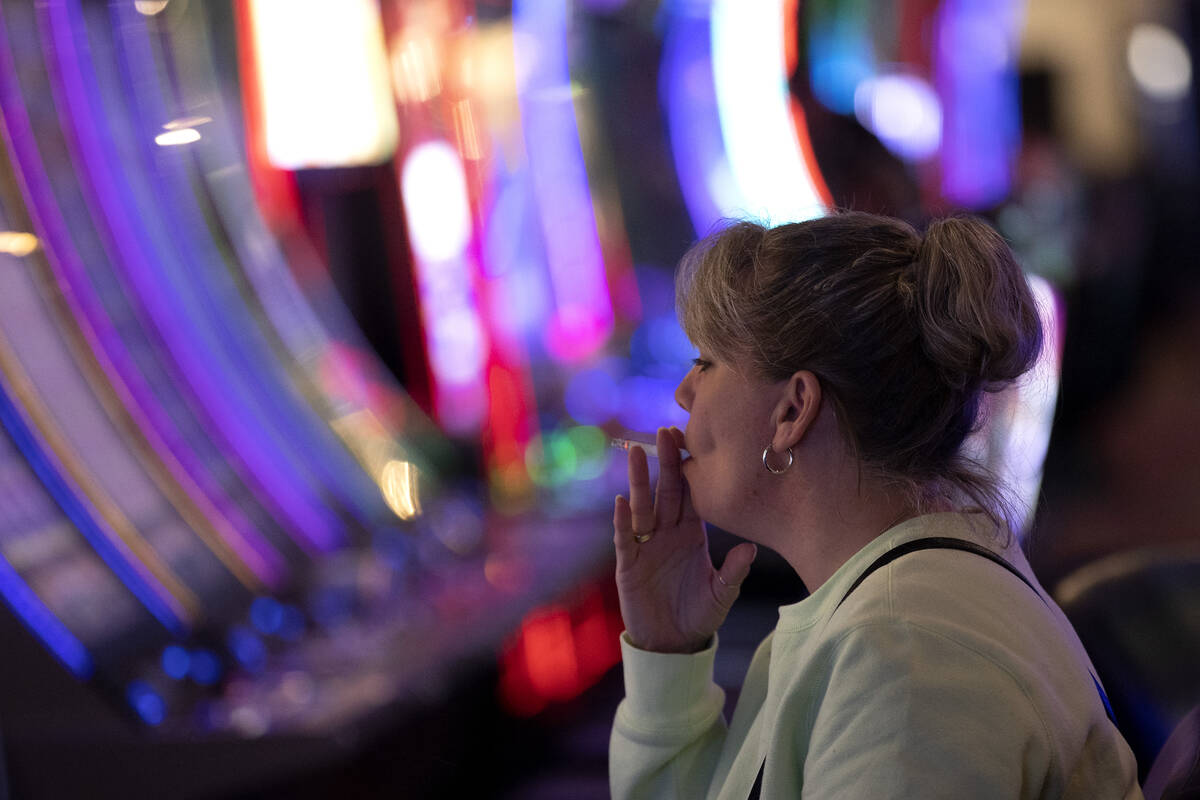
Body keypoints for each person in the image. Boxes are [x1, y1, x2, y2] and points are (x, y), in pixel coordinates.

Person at [609, 212, 1143, 799]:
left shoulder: (904, 653)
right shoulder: (908, 600)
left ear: (793, 411)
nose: (685, 393)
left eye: (705, 362)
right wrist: (668, 654)